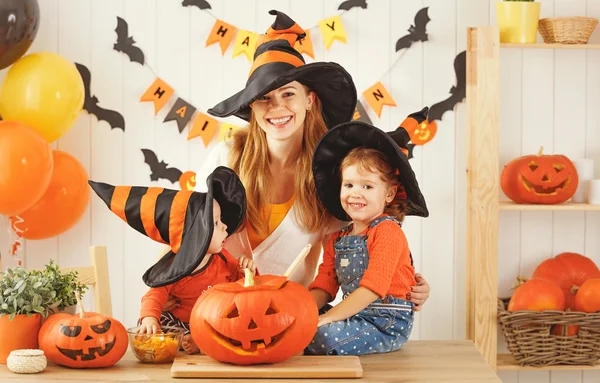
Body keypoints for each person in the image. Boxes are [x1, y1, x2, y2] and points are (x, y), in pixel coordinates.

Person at [189, 9, 431, 309]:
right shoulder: (226, 157)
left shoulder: (333, 173)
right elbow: (187, 228)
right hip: (218, 310)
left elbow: (370, 234)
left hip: (291, 313)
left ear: (309, 100)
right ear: (252, 106)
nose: (276, 107)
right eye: (264, 97)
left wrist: (408, 279)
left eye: (288, 94)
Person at [88, 167, 255, 354]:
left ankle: (201, 340)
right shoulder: (174, 270)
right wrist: (149, 318)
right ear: (197, 234)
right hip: (181, 323)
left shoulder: (225, 260)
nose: (225, 226)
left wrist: (246, 270)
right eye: (216, 223)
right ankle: (187, 339)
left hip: (213, 320)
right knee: (160, 320)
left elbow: (246, 291)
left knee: (234, 323)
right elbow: (153, 296)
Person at [305, 121, 428, 356]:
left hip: (385, 323)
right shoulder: (336, 238)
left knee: (319, 335)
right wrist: (302, 311)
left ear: (389, 193)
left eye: (367, 186)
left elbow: (373, 288)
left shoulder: (388, 232)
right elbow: (324, 286)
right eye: (349, 184)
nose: (355, 193)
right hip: (354, 314)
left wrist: (326, 319)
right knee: (297, 323)